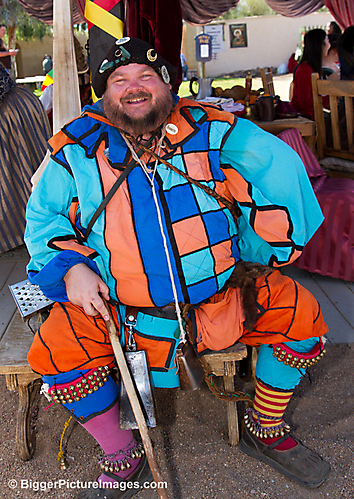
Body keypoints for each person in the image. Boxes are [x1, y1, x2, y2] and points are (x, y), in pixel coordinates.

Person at [25, 38, 330, 498]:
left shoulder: (214, 131)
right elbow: (43, 219)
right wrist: (71, 269)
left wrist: (253, 251)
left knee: (301, 312)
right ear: (104, 94)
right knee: (57, 347)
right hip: (118, 314)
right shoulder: (76, 148)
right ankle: (123, 455)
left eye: (146, 76)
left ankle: (265, 426)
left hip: (219, 302)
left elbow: (280, 172)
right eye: (119, 80)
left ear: (169, 84)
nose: (133, 87)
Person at [0, 62, 51, 253]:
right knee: (32, 164)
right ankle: (36, 225)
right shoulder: (26, 96)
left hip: (11, 109)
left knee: (18, 168)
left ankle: (24, 228)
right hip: (22, 103)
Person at [291, 29, 330, 119]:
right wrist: (332, 98)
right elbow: (304, 103)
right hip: (305, 117)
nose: (329, 45)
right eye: (327, 41)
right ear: (320, 45)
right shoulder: (305, 69)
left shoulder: (310, 67)